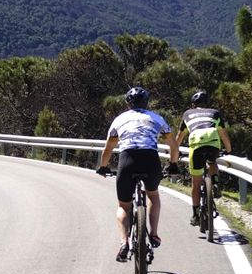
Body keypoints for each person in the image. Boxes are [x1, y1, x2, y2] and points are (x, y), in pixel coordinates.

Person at [97, 86, 179, 262]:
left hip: (128, 160)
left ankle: (124, 242)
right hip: (150, 160)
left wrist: (103, 166)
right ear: (146, 102)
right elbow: (174, 146)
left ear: (128, 103)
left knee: (123, 206)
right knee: (153, 195)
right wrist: (173, 164)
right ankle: (155, 234)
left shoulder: (120, 119)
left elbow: (109, 147)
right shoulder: (157, 118)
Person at [177, 90, 232, 225]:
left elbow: (180, 137)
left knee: (196, 183)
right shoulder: (215, 113)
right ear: (207, 103)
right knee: (212, 161)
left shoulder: (187, 114)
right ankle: (216, 183)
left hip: (196, 145)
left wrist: (176, 150)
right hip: (213, 142)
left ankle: (195, 215)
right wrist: (229, 150)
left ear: (193, 104)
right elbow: (224, 134)